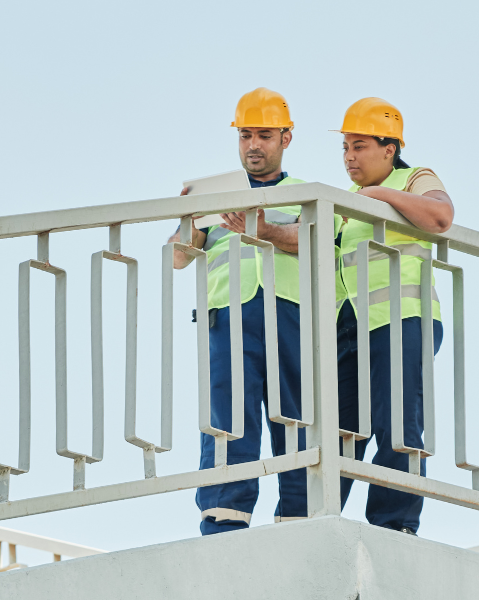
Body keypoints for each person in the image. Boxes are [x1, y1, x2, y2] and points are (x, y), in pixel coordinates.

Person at [169, 88, 312, 535]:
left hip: (289, 315)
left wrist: (264, 229)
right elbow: (177, 256)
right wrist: (189, 221)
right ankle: (224, 512)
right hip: (228, 316)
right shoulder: (214, 192)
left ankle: (300, 515)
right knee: (227, 416)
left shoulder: (306, 194)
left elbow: (319, 242)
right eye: (246, 134)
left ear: (286, 138)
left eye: (264, 135)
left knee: (297, 415)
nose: (254, 144)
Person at [333, 97, 454, 535]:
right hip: (351, 328)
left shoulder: (414, 177)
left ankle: (394, 523)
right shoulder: (344, 199)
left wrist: (378, 195)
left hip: (403, 317)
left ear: (389, 147)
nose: (349, 156)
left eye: (359, 146)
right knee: (342, 429)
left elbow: (441, 216)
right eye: (345, 147)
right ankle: (322, 515)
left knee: (397, 424)